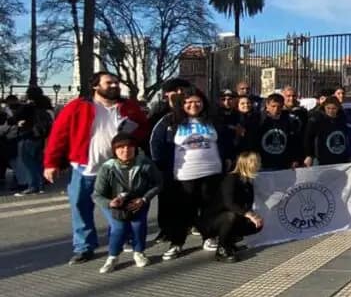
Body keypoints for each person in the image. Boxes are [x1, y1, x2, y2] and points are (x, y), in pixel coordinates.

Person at [44, 71, 149, 265]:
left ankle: (120, 239)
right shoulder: (77, 106)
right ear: (95, 86)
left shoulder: (129, 107)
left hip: (115, 172)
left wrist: (132, 138)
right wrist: (51, 163)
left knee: (118, 210)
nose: (114, 86)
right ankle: (84, 247)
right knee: (80, 208)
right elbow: (58, 135)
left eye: (116, 83)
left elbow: (144, 129)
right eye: (109, 83)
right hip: (84, 169)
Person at [150, 89, 230, 260]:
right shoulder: (170, 120)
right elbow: (156, 143)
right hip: (184, 175)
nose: (193, 105)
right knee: (183, 210)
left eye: (197, 101)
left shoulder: (212, 120)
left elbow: (225, 140)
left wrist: (227, 159)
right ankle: (176, 242)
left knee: (209, 208)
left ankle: (209, 237)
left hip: (212, 172)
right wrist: (161, 167)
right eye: (188, 102)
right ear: (181, 104)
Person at [92, 133, 162, 273]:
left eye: (129, 147)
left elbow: (158, 183)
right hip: (114, 203)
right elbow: (97, 195)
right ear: (114, 150)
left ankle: (139, 252)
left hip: (138, 201)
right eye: (121, 147)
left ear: (135, 148)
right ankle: (113, 257)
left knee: (138, 225)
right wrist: (110, 203)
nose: (125, 150)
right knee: (119, 228)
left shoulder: (144, 163)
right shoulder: (107, 168)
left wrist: (144, 199)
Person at [204, 151, 263, 262]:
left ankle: (229, 243)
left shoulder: (248, 182)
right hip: (213, 220)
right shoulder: (231, 178)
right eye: (257, 162)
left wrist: (254, 216)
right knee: (230, 216)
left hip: (231, 216)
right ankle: (221, 249)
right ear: (248, 164)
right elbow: (229, 203)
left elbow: (247, 205)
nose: (259, 165)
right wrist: (249, 215)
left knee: (256, 224)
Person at [12, 90, 50, 196]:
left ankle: (33, 186)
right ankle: (40, 185)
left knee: (28, 162)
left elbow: (14, 118)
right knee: (37, 162)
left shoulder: (27, 107)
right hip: (40, 138)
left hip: (28, 136)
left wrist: (18, 122)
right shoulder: (43, 107)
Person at [251, 93, 302, 171]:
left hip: (283, 164)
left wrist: (295, 159)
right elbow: (253, 141)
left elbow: (293, 141)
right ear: (267, 105)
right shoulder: (258, 120)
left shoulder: (288, 120)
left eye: (279, 107)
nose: (276, 109)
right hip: (263, 164)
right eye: (273, 106)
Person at [304, 97, 351, 166]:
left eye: (334, 108)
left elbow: (350, 138)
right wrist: (309, 155)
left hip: (341, 158)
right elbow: (308, 138)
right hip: (322, 159)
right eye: (328, 108)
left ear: (338, 108)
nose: (331, 111)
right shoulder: (317, 120)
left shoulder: (343, 120)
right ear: (324, 107)